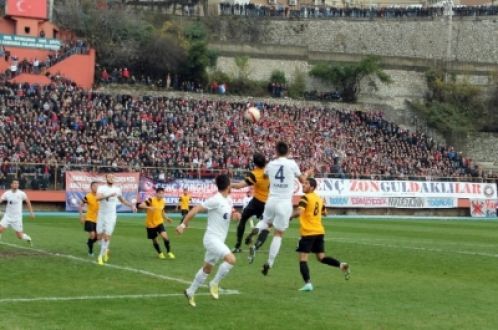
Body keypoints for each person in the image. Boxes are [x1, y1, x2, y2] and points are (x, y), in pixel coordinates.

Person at [176, 174, 241, 307]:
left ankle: (190, 291)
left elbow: (230, 214)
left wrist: (236, 215)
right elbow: (196, 209)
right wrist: (183, 224)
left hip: (219, 240)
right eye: (231, 184)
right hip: (212, 239)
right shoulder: (215, 199)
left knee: (207, 268)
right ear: (228, 185)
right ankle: (215, 283)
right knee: (231, 260)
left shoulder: (228, 199)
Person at [246, 141, 310, 276]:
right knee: (278, 234)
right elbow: (303, 180)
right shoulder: (292, 164)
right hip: (285, 202)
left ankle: (256, 229)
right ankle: (269, 263)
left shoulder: (270, 164)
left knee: (266, 222)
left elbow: (264, 176)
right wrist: (308, 173)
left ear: (276, 151)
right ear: (288, 152)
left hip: (271, 200)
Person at [291, 178, 350, 292]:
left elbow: (299, 212)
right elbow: (325, 213)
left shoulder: (305, 197)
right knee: (321, 257)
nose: (303, 185)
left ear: (312, 187)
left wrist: (289, 217)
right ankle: (341, 265)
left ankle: (308, 283)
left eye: (306, 184)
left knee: (303, 259)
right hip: (319, 232)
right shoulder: (319, 199)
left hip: (308, 232)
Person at [230, 153, 270, 255]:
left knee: (243, 219)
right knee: (267, 226)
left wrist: (227, 184)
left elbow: (239, 186)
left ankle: (238, 245)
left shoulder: (255, 174)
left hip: (256, 201)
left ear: (254, 163)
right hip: (267, 204)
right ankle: (256, 246)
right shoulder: (271, 170)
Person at [96, 174, 137, 266]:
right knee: (99, 236)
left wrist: (131, 206)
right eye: (109, 177)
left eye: (113, 177)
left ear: (114, 179)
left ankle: (100, 256)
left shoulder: (117, 189)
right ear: (106, 178)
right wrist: (108, 195)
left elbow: (122, 200)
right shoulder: (101, 188)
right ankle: (105, 249)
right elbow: (97, 198)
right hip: (101, 214)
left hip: (111, 215)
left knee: (107, 236)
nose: (111, 178)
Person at [138, 187, 175, 259]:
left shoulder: (163, 201)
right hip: (150, 224)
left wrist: (167, 218)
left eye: (163, 193)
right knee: (155, 241)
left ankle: (169, 252)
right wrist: (149, 208)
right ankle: (160, 253)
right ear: (156, 193)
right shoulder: (151, 200)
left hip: (159, 223)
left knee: (165, 237)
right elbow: (140, 205)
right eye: (160, 193)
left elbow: (162, 211)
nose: (161, 195)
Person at [0, 180, 35, 245]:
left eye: (17, 183)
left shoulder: (22, 193)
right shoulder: (7, 193)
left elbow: (28, 202)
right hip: (7, 216)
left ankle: (28, 238)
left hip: (17, 218)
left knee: (20, 236)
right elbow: (1, 199)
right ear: (11, 185)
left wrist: (31, 212)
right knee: (0, 229)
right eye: (15, 183)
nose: (16, 184)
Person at [79, 181, 100, 256]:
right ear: (91, 187)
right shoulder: (88, 196)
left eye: (97, 186)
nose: (96, 188)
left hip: (98, 219)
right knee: (92, 234)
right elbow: (81, 204)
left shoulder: (100, 196)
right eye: (94, 186)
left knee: (98, 237)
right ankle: (90, 251)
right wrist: (81, 216)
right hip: (89, 218)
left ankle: (89, 242)